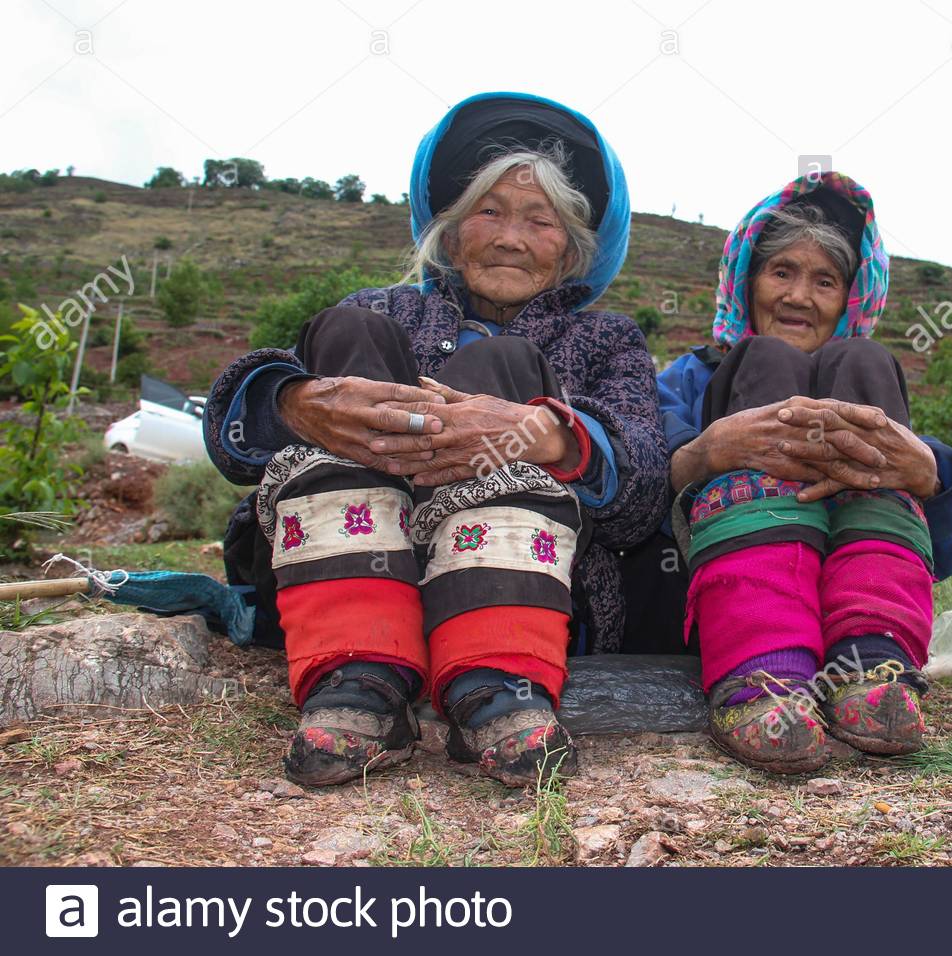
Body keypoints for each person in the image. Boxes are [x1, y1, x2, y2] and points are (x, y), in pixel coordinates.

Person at [203, 92, 666, 788]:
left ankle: (495, 678)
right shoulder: (377, 311)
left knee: (503, 364)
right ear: (449, 236)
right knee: (343, 335)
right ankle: (359, 672)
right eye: (490, 212)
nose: (511, 236)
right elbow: (233, 430)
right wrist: (300, 403)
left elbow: (644, 488)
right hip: (349, 568)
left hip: (522, 593)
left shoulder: (606, 339)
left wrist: (546, 435)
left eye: (539, 221)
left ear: (571, 252)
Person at [647, 172, 952, 773]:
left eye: (824, 281)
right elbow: (639, 499)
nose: (799, 296)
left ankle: (870, 662)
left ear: (851, 297)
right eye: (781, 272)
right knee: (764, 360)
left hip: (850, 628)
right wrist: (708, 452)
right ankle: (762, 668)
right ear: (746, 280)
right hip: (719, 609)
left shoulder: (870, 393)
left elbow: (945, 558)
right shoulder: (688, 383)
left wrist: (925, 473)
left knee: (866, 361)